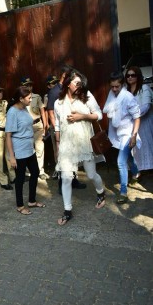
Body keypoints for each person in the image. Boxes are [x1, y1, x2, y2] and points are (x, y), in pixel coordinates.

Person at [54, 71, 106, 225]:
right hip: (67, 145)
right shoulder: (59, 103)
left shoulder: (86, 96)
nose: (79, 86)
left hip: (84, 143)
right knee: (66, 177)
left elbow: (99, 115)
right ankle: (67, 211)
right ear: (67, 83)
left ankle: (101, 193)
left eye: (81, 83)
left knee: (91, 175)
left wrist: (82, 116)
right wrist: (57, 144)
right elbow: (57, 124)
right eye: (76, 83)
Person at [5, 86, 45, 215]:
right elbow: (8, 135)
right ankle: (20, 205)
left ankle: (32, 201)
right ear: (21, 99)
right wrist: (12, 156)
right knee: (20, 178)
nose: (31, 100)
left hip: (29, 148)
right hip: (19, 149)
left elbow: (26, 124)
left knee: (35, 172)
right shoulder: (12, 112)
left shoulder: (24, 108)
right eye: (29, 98)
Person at [103, 71, 141, 204]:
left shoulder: (128, 97)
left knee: (120, 161)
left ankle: (123, 192)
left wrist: (134, 136)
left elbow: (137, 118)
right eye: (112, 86)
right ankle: (136, 173)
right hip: (117, 131)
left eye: (117, 87)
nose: (114, 89)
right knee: (128, 157)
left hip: (128, 132)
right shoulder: (111, 95)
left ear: (122, 85)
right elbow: (108, 111)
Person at [47, 66, 87, 189]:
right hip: (60, 131)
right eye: (71, 75)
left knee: (73, 158)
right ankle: (61, 185)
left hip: (71, 131)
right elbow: (51, 112)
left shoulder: (74, 90)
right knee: (61, 159)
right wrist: (58, 132)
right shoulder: (54, 91)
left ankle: (74, 181)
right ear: (65, 76)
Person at [125, 66, 153, 173]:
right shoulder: (125, 91)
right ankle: (137, 171)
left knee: (146, 145)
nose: (130, 77)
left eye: (133, 75)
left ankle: (148, 168)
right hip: (131, 124)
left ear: (138, 76)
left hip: (145, 123)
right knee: (134, 148)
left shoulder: (144, 88)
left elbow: (146, 106)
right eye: (128, 75)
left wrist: (131, 115)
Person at [20, 77, 49, 180]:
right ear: (22, 86)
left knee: (39, 149)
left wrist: (45, 125)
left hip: (37, 125)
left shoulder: (36, 97)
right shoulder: (20, 99)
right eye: (27, 85)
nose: (29, 87)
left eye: (30, 85)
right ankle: (29, 173)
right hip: (26, 127)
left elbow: (42, 111)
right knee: (27, 150)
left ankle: (40, 171)